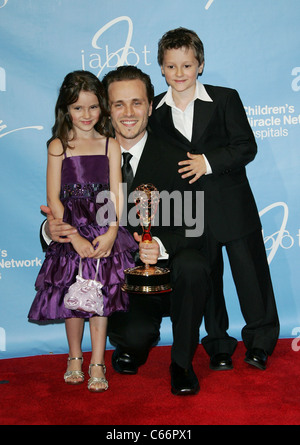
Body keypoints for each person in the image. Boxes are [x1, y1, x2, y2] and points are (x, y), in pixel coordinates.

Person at [42, 66, 211, 396]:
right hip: (115, 279)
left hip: (167, 276)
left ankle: (181, 365)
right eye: (118, 104)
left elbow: (196, 223)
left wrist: (159, 245)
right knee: (131, 337)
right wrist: (53, 229)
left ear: (150, 106)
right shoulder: (87, 150)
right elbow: (63, 204)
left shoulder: (178, 157)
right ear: (106, 107)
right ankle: (132, 343)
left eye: (137, 103)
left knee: (194, 264)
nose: (129, 113)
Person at [149, 27, 280, 371]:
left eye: (187, 65)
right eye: (172, 66)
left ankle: (261, 341)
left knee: (251, 278)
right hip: (189, 215)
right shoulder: (155, 113)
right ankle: (218, 345)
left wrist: (207, 162)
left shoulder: (224, 99)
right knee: (207, 282)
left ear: (201, 65)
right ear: (161, 68)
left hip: (232, 206)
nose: (180, 74)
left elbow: (245, 147)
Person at [28, 70, 137, 393]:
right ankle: (75, 356)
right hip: (71, 231)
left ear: (101, 108)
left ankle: (98, 362)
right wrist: (73, 236)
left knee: (100, 298)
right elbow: (53, 198)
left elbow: (116, 193)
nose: (86, 115)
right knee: (72, 299)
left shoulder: (110, 145)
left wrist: (112, 231)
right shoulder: (58, 146)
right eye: (78, 108)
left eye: (92, 107)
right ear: (66, 110)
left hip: (104, 230)